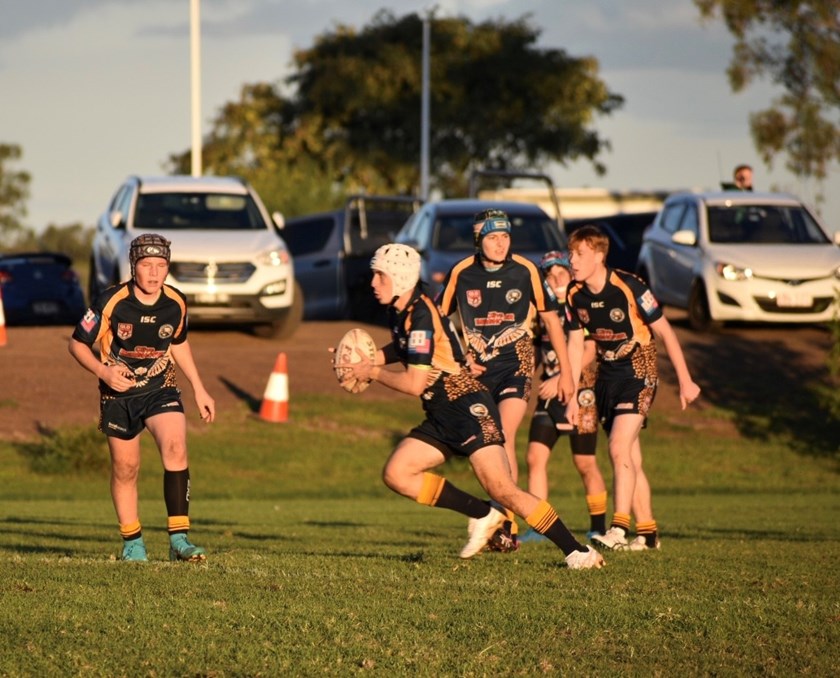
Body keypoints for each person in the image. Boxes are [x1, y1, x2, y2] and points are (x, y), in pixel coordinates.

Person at [336, 243, 603, 569]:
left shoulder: (420, 314)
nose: (373, 282)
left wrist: (372, 372)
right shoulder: (401, 310)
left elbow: (413, 384)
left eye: (380, 275)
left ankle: (578, 552)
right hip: (440, 411)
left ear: (401, 278)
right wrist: (370, 358)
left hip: (466, 406)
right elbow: (404, 346)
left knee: (503, 489)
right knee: (397, 473)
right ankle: (483, 514)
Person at [68, 233, 215, 562]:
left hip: (160, 386)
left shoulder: (175, 302)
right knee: (126, 468)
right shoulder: (110, 301)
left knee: (176, 448)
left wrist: (199, 388)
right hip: (117, 395)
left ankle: (180, 539)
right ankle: (132, 543)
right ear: (134, 267)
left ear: (168, 268)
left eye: (161, 265)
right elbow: (76, 344)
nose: (153, 272)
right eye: (146, 265)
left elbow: (177, 343)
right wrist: (104, 373)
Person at [436, 209, 575, 549]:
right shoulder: (461, 272)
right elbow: (438, 318)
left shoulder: (526, 270)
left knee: (504, 435)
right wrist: (460, 356)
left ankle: (507, 527)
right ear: (478, 240)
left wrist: (567, 373)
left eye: (505, 237)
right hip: (478, 369)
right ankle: (500, 518)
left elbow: (553, 322)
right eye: (493, 237)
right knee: (486, 443)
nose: (500, 244)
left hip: (516, 362)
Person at [564, 225, 701, 551]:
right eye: (570, 253)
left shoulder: (630, 285)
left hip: (639, 369)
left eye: (579, 254)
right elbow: (573, 344)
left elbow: (666, 332)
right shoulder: (574, 293)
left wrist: (685, 380)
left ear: (599, 256)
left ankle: (618, 528)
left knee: (617, 447)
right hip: (607, 374)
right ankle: (649, 534)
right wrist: (570, 396)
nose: (572, 260)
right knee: (630, 458)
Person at [519, 250, 608, 544]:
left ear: (571, 275)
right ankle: (539, 526)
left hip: (581, 392)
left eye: (562, 272)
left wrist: (560, 378)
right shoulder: (541, 311)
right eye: (550, 274)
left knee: (584, 463)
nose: (556, 279)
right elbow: (535, 354)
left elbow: (590, 351)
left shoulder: (580, 305)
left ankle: (598, 526)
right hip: (550, 395)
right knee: (534, 457)